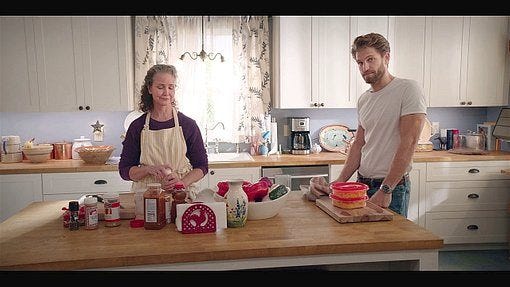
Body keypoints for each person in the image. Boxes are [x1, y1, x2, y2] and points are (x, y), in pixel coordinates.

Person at [332, 33, 427, 216]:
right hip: (362, 185)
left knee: (389, 243)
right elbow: (359, 144)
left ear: (386, 57)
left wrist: (386, 189)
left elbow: (409, 143)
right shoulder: (364, 99)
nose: (365, 67)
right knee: (363, 241)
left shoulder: (408, 89)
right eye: (360, 63)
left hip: (391, 187)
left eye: (370, 59)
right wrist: (339, 182)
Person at [119, 64, 208, 201]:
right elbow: (125, 171)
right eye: (160, 87)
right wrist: (149, 169)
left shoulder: (188, 125)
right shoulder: (137, 127)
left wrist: (181, 183)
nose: (166, 92)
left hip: (180, 196)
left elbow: (202, 166)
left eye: (171, 87)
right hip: (147, 198)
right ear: (149, 88)